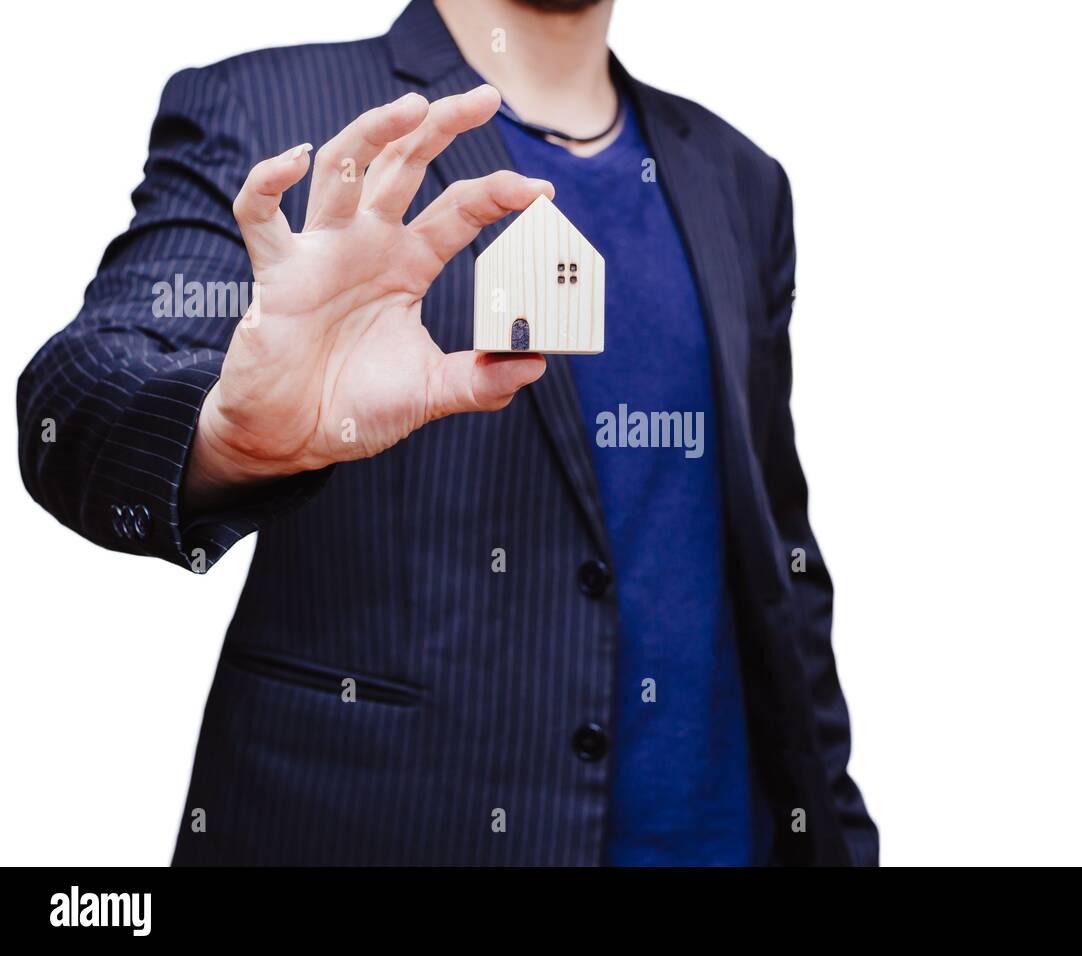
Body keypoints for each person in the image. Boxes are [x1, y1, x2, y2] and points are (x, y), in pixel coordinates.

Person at [16, 0, 876, 866]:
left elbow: (780, 561)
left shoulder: (740, 176)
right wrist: (231, 434)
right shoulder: (267, 110)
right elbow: (79, 395)